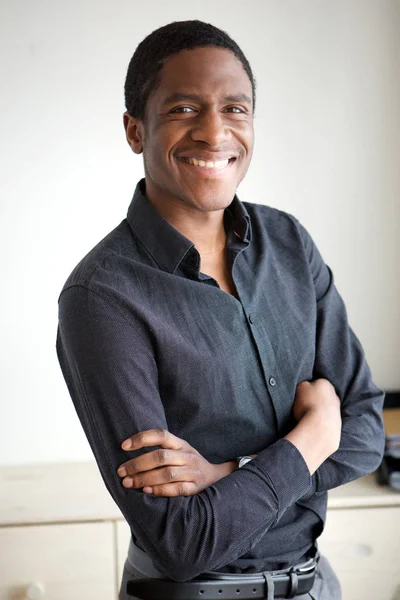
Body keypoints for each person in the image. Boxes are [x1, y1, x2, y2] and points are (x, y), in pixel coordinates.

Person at [56, 20, 385, 600]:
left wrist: (232, 472)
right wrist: (313, 437)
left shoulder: (288, 243)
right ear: (136, 130)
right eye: (184, 108)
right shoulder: (102, 297)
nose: (215, 133)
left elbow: (366, 435)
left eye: (235, 108)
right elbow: (180, 542)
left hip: (317, 585)